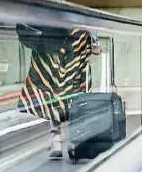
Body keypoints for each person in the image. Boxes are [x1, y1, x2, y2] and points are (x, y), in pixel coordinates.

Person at [17, 28, 100, 159]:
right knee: (74, 89)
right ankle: (76, 139)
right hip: (76, 39)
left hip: (53, 39)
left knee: (54, 87)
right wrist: (94, 40)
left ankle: (57, 139)